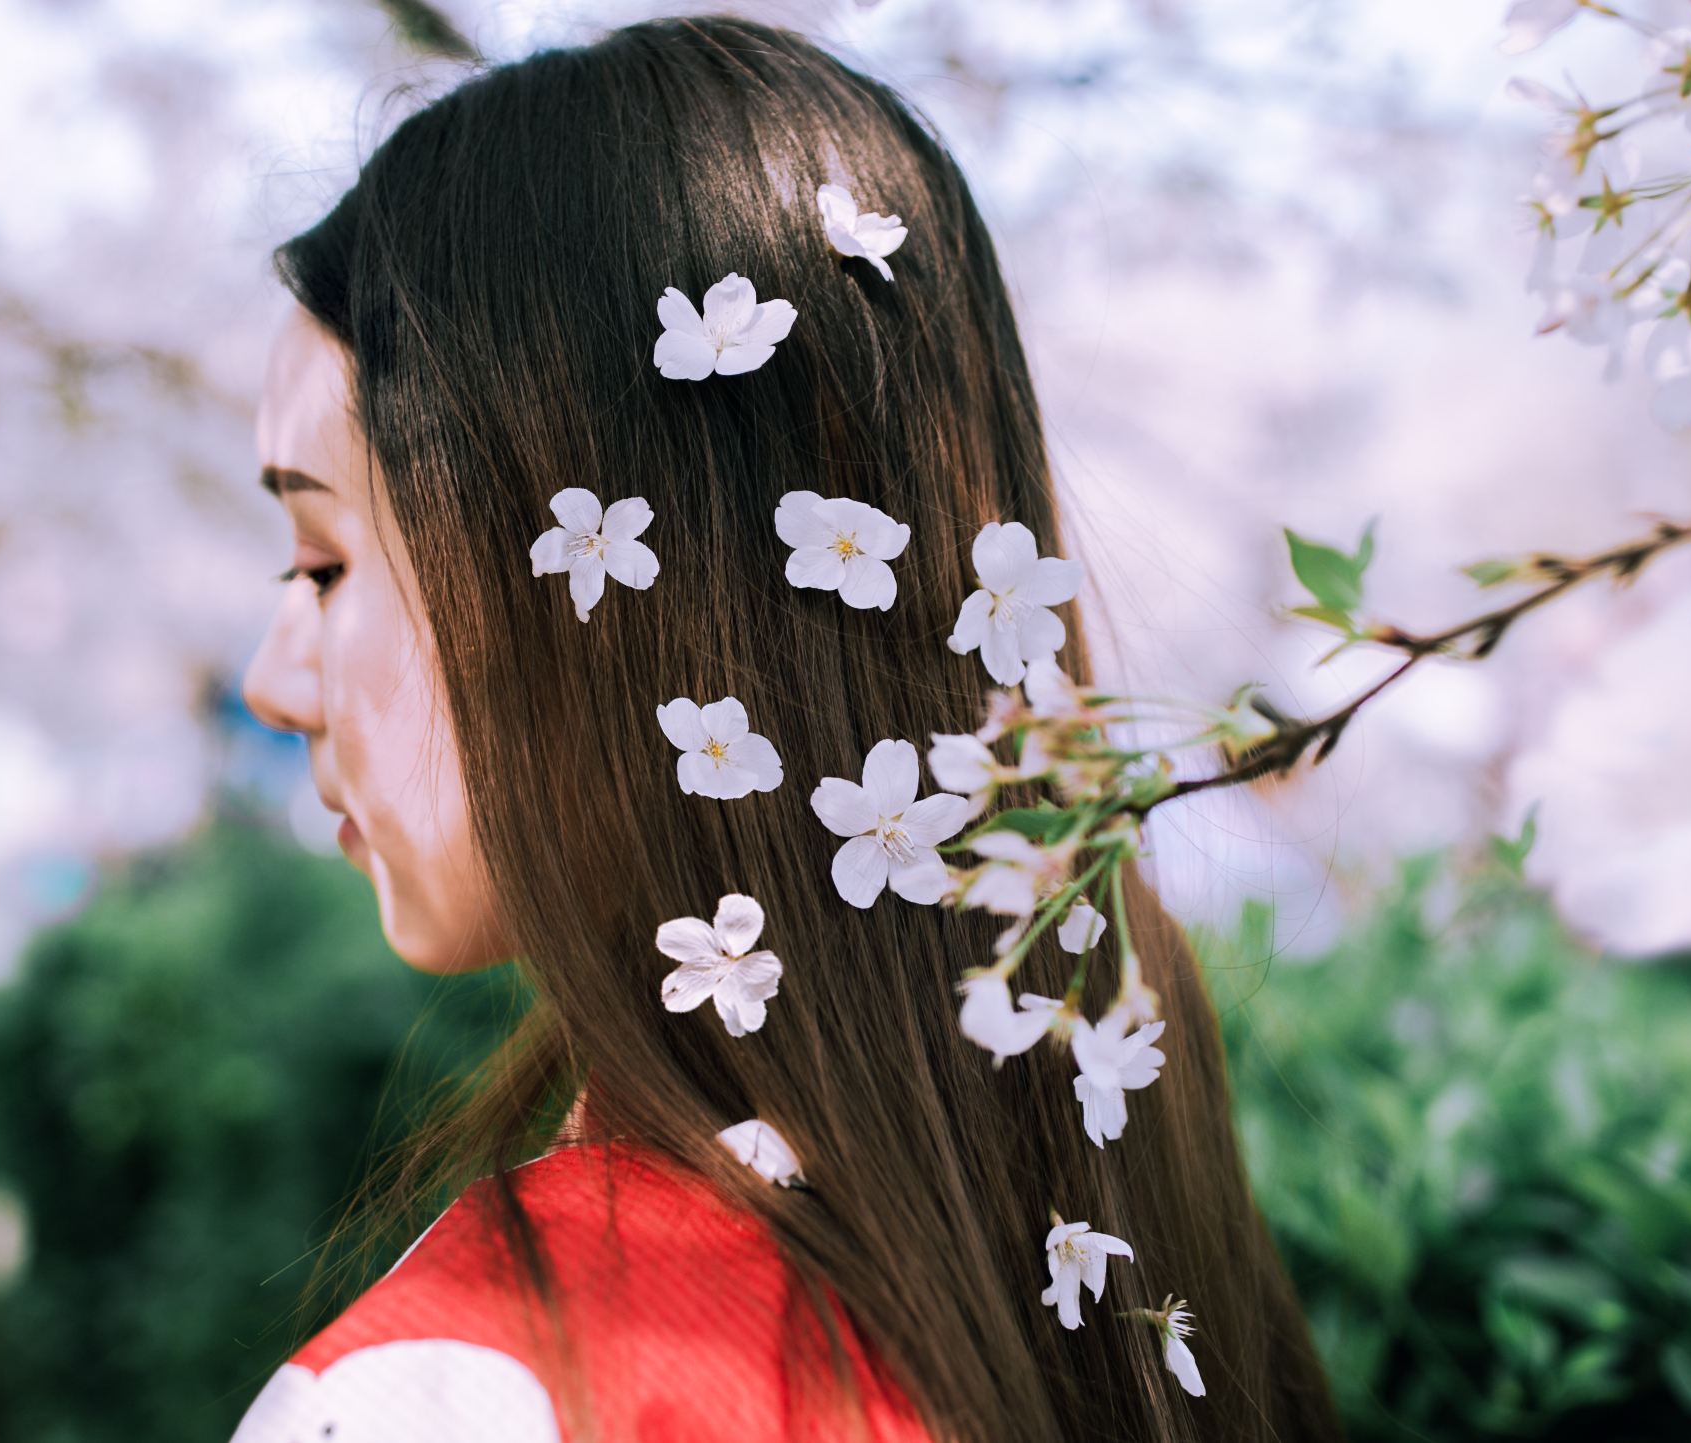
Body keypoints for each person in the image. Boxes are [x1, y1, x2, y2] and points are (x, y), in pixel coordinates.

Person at [236, 17, 1340, 1442]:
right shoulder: (1100, 1245)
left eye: (324, 563)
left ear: (600, 578)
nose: (275, 675)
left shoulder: (486, 1383)